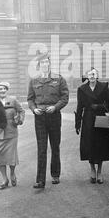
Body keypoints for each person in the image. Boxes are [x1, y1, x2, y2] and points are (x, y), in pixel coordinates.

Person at [27, 52, 69, 189]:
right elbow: (30, 99)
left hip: (54, 116)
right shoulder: (34, 81)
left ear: (50, 64)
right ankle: (40, 180)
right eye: (42, 63)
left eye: (47, 62)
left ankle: (55, 174)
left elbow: (64, 98)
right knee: (42, 148)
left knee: (55, 147)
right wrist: (34, 109)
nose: (45, 64)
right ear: (39, 65)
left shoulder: (59, 79)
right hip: (40, 117)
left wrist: (55, 107)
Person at [75, 68, 109, 184]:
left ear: (97, 76)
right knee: (90, 145)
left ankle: (100, 172)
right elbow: (79, 107)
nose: (92, 76)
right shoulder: (82, 89)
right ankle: (92, 169)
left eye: (94, 74)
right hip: (88, 119)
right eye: (90, 74)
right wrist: (77, 124)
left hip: (100, 119)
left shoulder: (103, 87)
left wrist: (99, 107)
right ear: (87, 77)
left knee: (101, 145)